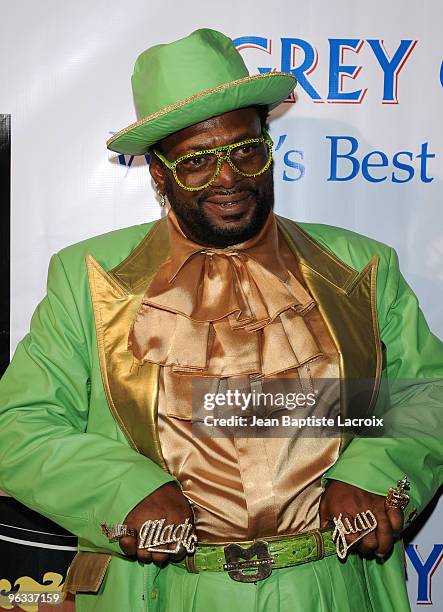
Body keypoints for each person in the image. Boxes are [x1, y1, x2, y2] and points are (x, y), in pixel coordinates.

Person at [0, 28, 441, 612]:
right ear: (157, 172)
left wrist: (377, 468)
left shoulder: (361, 266)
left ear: (268, 145)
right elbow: (21, 424)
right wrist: (127, 490)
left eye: (245, 150)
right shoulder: (89, 279)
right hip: (161, 591)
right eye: (195, 162)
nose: (228, 177)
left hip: (333, 586)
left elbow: (426, 391)